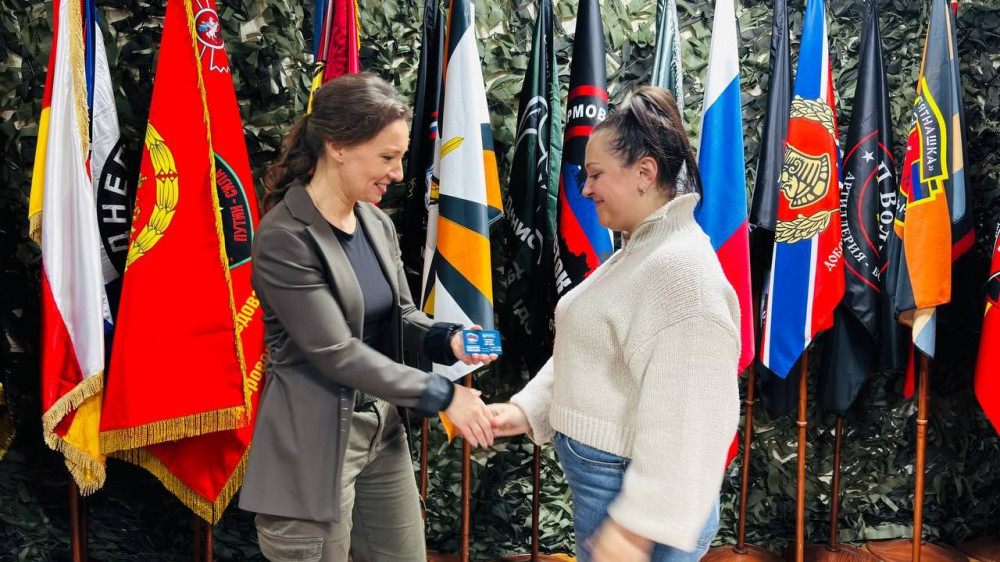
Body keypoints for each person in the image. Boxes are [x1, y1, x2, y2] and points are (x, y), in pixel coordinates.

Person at [239, 72, 497, 562]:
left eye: (400, 158)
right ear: (338, 147)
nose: (398, 173)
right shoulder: (283, 238)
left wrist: (449, 338)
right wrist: (444, 395)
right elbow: (337, 352)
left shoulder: (375, 221)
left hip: (382, 425)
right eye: (387, 158)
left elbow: (399, 314)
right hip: (313, 443)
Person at [488, 86, 740, 562]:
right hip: (612, 492)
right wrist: (527, 410)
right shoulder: (641, 250)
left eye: (596, 174)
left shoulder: (680, 272)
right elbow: (592, 347)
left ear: (645, 173)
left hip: (636, 508)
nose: (585, 189)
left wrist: (636, 526)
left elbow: (694, 420)